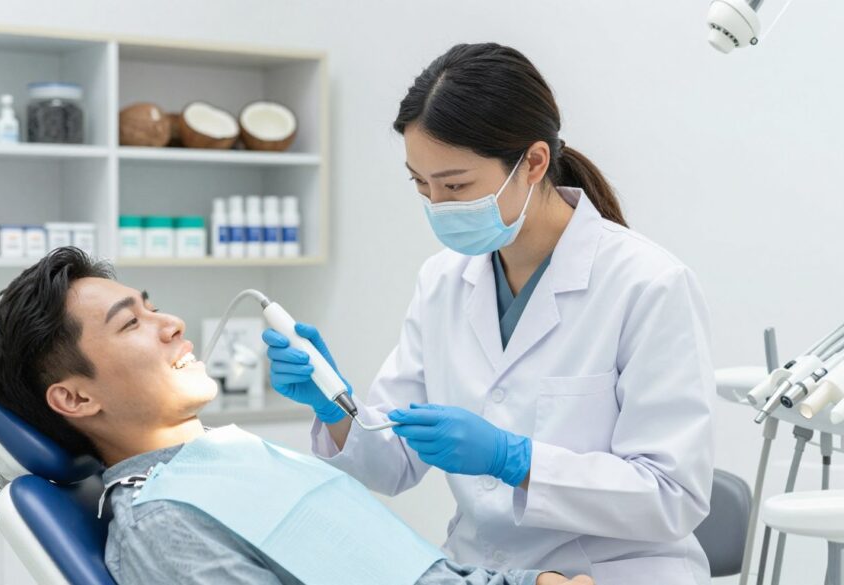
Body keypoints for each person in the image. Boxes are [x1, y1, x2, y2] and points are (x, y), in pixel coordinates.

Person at [264, 42, 715, 585]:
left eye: (455, 185)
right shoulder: (443, 280)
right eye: (420, 183)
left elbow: (672, 496)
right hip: (477, 569)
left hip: (609, 573)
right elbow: (393, 463)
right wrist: (336, 405)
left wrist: (516, 459)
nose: (436, 203)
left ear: (533, 162)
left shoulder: (648, 285)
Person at [0, 247, 593, 585]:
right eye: (132, 323)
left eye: (152, 306)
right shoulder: (162, 524)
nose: (172, 324)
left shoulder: (231, 457)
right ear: (76, 400)